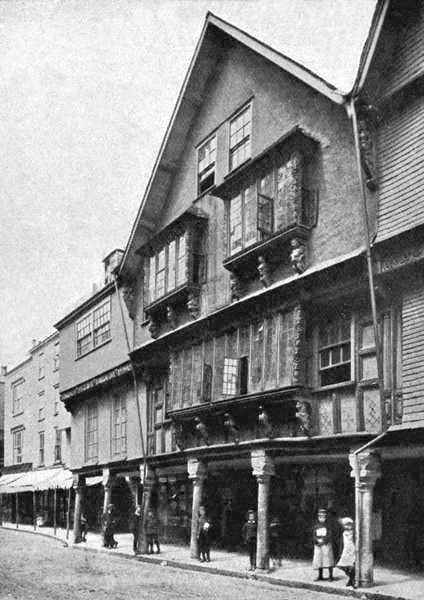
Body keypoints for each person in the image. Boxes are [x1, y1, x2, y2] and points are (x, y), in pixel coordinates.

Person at [312, 508, 334, 581]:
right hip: (318, 545)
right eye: (320, 517)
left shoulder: (328, 526)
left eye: (323, 517)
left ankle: (330, 576)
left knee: (328, 559)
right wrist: (317, 540)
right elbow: (314, 535)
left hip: (326, 544)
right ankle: (320, 575)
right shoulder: (316, 526)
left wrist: (324, 541)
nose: (322, 519)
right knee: (319, 559)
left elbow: (330, 535)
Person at [336, 517, 355, 587]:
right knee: (342, 565)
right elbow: (342, 543)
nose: (348, 527)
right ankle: (351, 577)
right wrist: (340, 552)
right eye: (346, 525)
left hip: (352, 550)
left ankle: (352, 579)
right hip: (345, 551)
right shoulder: (344, 533)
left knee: (352, 566)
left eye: (349, 525)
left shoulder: (354, 533)